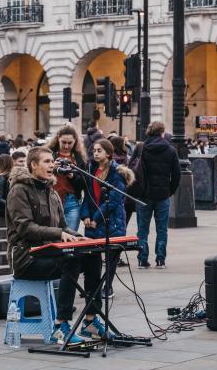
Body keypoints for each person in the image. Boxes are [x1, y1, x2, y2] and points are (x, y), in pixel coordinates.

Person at [5, 146, 110, 344]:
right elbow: (25, 228)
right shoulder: (19, 190)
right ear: (33, 165)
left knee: (92, 254)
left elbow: (63, 226)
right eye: (46, 161)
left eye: (52, 161)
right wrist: (59, 234)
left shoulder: (52, 192)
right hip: (26, 258)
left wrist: (79, 237)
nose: (51, 165)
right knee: (70, 262)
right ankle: (60, 326)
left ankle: (90, 321)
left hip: (49, 252)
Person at [81, 138, 132, 296]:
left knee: (111, 257)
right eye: (94, 150)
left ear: (109, 154)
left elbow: (113, 200)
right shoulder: (91, 169)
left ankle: (107, 287)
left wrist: (96, 218)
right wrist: (86, 216)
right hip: (94, 220)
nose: (95, 153)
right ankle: (92, 287)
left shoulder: (117, 173)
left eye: (99, 150)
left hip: (112, 220)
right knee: (93, 256)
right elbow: (88, 196)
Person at [135, 121, 180, 269]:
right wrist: (169, 191)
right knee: (162, 229)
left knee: (142, 229)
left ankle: (142, 259)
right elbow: (177, 175)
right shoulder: (171, 150)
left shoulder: (142, 148)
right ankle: (160, 260)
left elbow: (133, 170)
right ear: (162, 132)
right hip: (162, 195)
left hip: (144, 195)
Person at [48, 125, 87, 231]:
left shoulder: (79, 158)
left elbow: (84, 183)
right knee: (52, 236)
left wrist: (72, 176)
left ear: (75, 141)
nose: (66, 146)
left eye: (70, 143)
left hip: (72, 201)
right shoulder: (48, 154)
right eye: (63, 142)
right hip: (51, 200)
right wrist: (51, 168)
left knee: (70, 238)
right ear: (57, 139)